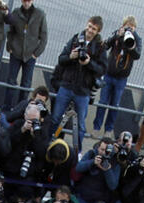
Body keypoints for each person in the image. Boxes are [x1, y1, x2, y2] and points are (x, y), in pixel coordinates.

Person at [50, 16, 105, 153]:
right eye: (90, 26)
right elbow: (61, 59)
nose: (90, 30)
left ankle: (78, 152)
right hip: (67, 86)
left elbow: (102, 69)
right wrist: (71, 57)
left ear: (98, 31)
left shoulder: (99, 47)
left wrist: (89, 63)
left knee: (80, 125)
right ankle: (51, 144)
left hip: (83, 91)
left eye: (94, 29)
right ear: (87, 24)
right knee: (56, 118)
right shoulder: (75, 39)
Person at [93, 17, 141, 137]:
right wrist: (117, 36)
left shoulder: (136, 39)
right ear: (122, 26)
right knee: (103, 102)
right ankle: (96, 127)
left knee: (115, 105)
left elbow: (137, 55)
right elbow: (104, 46)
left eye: (132, 27)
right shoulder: (117, 34)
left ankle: (108, 130)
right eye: (127, 26)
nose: (129, 29)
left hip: (121, 78)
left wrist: (130, 45)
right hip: (109, 74)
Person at [2, 0, 47, 110]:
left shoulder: (40, 14)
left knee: (26, 84)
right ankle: (7, 107)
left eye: (28, 1)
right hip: (16, 52)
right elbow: (10, 31)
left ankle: (21, 108)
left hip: (30, 55)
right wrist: (10, 46)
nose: (26, 3)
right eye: (24, 1)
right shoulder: (16, 12)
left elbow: (44, 37)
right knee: (11, 80)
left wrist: (36, 54)